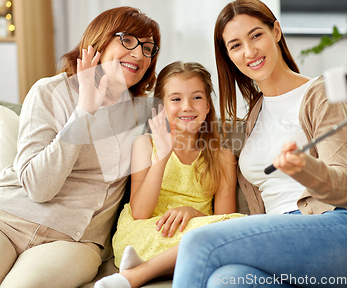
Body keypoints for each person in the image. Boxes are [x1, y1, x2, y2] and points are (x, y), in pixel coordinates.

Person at [172, 0, 347, 288]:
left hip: (343, 232)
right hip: (288, 247)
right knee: (225, 281)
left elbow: (344, 188)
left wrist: (305, 169)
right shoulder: (252, 116)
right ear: (228, 56)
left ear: (276, 31)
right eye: (235, 45)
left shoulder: (322, 94)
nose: (249, 51)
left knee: (198, 242)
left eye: (256, 35)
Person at [0, 6, 161, 288]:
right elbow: (38, 187)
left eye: (149, 48)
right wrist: (83, 114)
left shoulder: (143, 114)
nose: (139, 54)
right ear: (100, 40)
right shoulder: (48, 92)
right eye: (128, 40)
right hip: (0, 219)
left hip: (73, 239)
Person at [95, 62, 245, 288]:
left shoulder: (223, 157)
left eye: (196, 98)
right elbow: (140, 212)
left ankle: (146, 268)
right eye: (176, 99)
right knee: (215, 242)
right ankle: (146, 268)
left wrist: (191, 212)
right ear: (160, 108)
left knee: (237, 229)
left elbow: (224, 221)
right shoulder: (145, 145)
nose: (187, 106)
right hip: (148, 231)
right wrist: (162, 157)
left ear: (207, 107)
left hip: (197, 232)